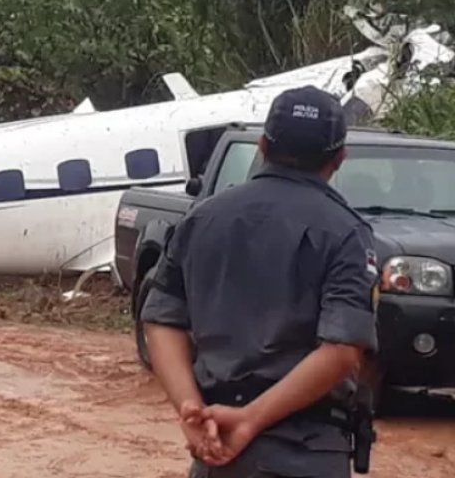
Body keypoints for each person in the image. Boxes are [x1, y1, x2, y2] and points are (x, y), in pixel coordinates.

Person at [141, 85, 379, 478]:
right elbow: (341, 351)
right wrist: (250, 419)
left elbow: (162, 320)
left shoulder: (202, 219)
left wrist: (189, 407)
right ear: (339, 158)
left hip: (217, 448)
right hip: (304, 452)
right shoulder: (347, 233)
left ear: (263, 146)